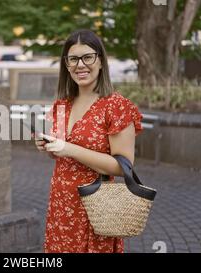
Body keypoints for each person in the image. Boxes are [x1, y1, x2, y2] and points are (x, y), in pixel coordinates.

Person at [34, 29, 143, 253]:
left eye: (88, 57)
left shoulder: (116, 106)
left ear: (101, 61)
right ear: (66, 64)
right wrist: (49, 146)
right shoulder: (62, 105)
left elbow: (124, 167)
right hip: (61, 205)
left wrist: (69, 148)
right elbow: (63, 152)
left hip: (95, 206)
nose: (80, 65)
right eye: (73, 59)